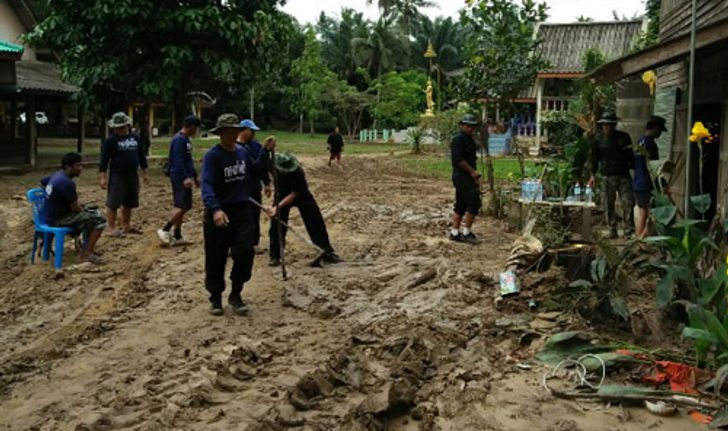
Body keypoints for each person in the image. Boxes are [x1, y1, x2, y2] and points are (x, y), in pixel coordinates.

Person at [201, 113, 274, 316]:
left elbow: (255, 170)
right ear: (221, 133)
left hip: (242, 210)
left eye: (235, 130)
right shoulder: (212, 157)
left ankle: (236, 293)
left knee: (245, 252)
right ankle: (215, 298)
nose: (233, 134)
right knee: (216, 258)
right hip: (219, 212)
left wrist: (265, 151)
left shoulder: (242, 152)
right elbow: (206, 185)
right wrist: (215, 209)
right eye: (228, 131)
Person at [267, 153, 340, 267]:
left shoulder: (298, 172)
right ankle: (275, 255)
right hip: (281, 193)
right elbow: (260, 170)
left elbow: (294, 193)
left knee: (315, 220)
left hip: (301, 195)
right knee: (277, 223)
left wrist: (277, 207)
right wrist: (267, 184)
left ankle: (326, 251)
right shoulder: (272, 164)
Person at [41, 153, 107, 264]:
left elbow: (43, 181)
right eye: (77, 166)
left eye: (81, 165)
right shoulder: (67, 183)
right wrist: (84, 210)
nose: (81, 169)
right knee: (99, 219)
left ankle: (85, 247)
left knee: (91, 214)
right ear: (67, 167)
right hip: (58, 220)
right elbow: (75, 209)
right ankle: (89, 253)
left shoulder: (57, 175)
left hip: (49, 216)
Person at [99, 112, 149, 237]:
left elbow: (141, 156)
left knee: (129, 202)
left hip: (133, 174)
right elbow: (104, 159)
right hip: (118, 175)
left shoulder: (136, 138)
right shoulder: (110, 140)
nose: (120, 130)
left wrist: (145, 173)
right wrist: (103, 177)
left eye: (122, 127)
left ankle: (126, 225)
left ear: (128, 125)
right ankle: (112, 227)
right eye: (117, 128)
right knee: (113, 202)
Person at [588, 112, 635, 239]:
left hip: (623, 175)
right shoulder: (598, 139)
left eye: (609, 125)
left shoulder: (623, 137)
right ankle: (612, 229)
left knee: (628, 203)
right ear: (602, 125)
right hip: (606, 176)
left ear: (614, 125)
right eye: (605, 125)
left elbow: (630, 155)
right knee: (608, 204)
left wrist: (632, 168)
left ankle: (629, 231)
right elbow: (593, 158)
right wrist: (592, 175)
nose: (607, 127)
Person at [158, 115, 201, 246]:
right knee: (184, 205)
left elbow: (188, 160)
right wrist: (185, 178)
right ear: (192, 127)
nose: (197, 131)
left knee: (180, 205)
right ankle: (165, 229)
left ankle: (177, 235)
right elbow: (177, 161)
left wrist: (194, 176)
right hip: (179, 177)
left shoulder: (186, 140)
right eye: (197, 128)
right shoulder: (179, 140)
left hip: (185, 176)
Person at [237, 119, 272, 251]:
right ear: (244, 130)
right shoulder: (235, 147)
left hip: (253, 186)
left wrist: (267, 182)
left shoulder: (256, 146)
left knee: (254, 215)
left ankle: (253, 243)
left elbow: (261, 167)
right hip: (239, 187)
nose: (253, 134)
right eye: (251, 131)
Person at [449, 114, 482, 244]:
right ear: (462, 126)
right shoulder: (458, 140)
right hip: (462, 176)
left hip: (466, 176)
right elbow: (458, 160)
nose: (470, 128)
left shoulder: (470, 140)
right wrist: (473, 172)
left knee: (461, 204)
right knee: (474, 203)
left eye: (472, 126)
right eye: (468, 126)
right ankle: (466, 232)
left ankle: (455, 232)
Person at [633, 115, 667, 239]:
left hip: (637, 181)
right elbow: (654, 168)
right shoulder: (650, 145)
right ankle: (641, 239)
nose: (660, 134)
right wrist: (662, 183)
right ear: (655, 128)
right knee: (647, 213)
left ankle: (639, 236)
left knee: (641, 210)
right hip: (646, 183)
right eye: (659, 131)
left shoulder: (639, 142)